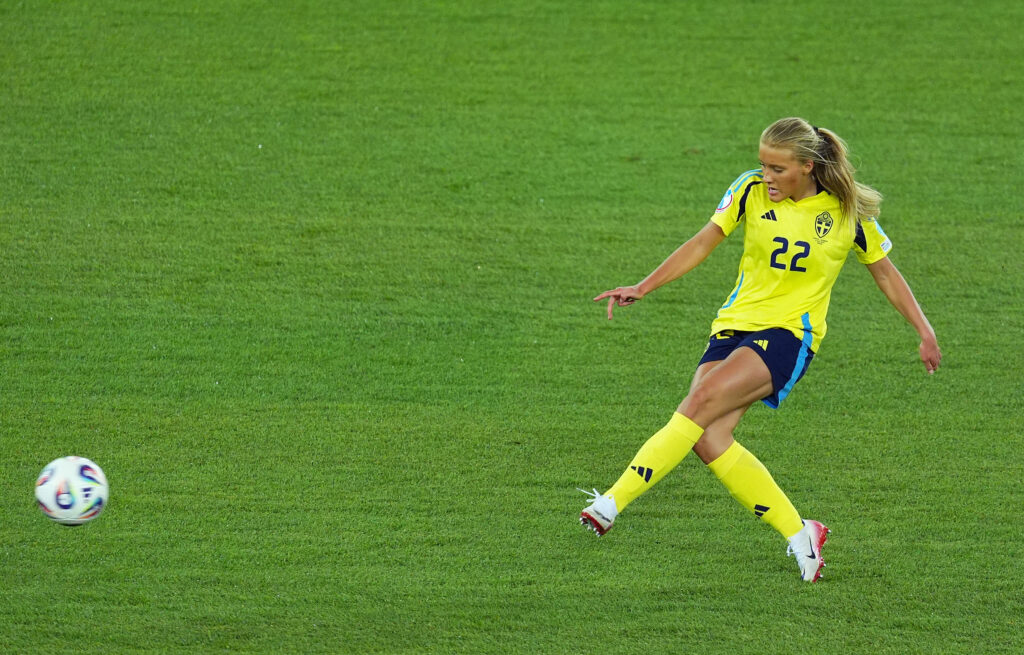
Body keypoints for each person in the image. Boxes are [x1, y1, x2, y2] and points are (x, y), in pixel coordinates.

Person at [579, 117, 941, 583]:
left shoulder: (847, 215)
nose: (766, 175)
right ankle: (800, 533)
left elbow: (886, 273)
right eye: (762, 165)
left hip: (791, 334)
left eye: (777, 168)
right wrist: (644, 286)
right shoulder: (748, 191)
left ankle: (611, 503)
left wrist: (924, 330)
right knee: (708, 438)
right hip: (732, 326)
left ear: (807, 167)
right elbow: (704, 240)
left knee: (699, 403)